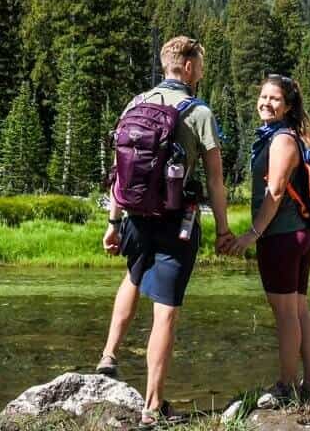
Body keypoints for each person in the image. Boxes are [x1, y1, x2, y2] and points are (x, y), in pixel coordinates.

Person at [98, 35, 235, 426]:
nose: (202, 73)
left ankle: (108, 355)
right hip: (178, 221)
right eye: (202, 66)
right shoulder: (199, 112)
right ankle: (152, 406)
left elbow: (119, 174)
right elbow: (215, 181)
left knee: (132, 277)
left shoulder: (135, 104)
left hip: (136, 217)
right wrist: (224, 229)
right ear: (189, 67)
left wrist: (113, 223)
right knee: (166, 312)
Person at [229, 74, 310, 399]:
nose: (266, 103)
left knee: (286, 315)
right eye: (263, 96)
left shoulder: (281, 139)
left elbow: (277, 189)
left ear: (288, 105)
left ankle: (286, 385)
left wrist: (253, 233)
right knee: (299, 311)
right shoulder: (290, 135)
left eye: (275, 99)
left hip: (282, 238)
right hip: (297, 235)